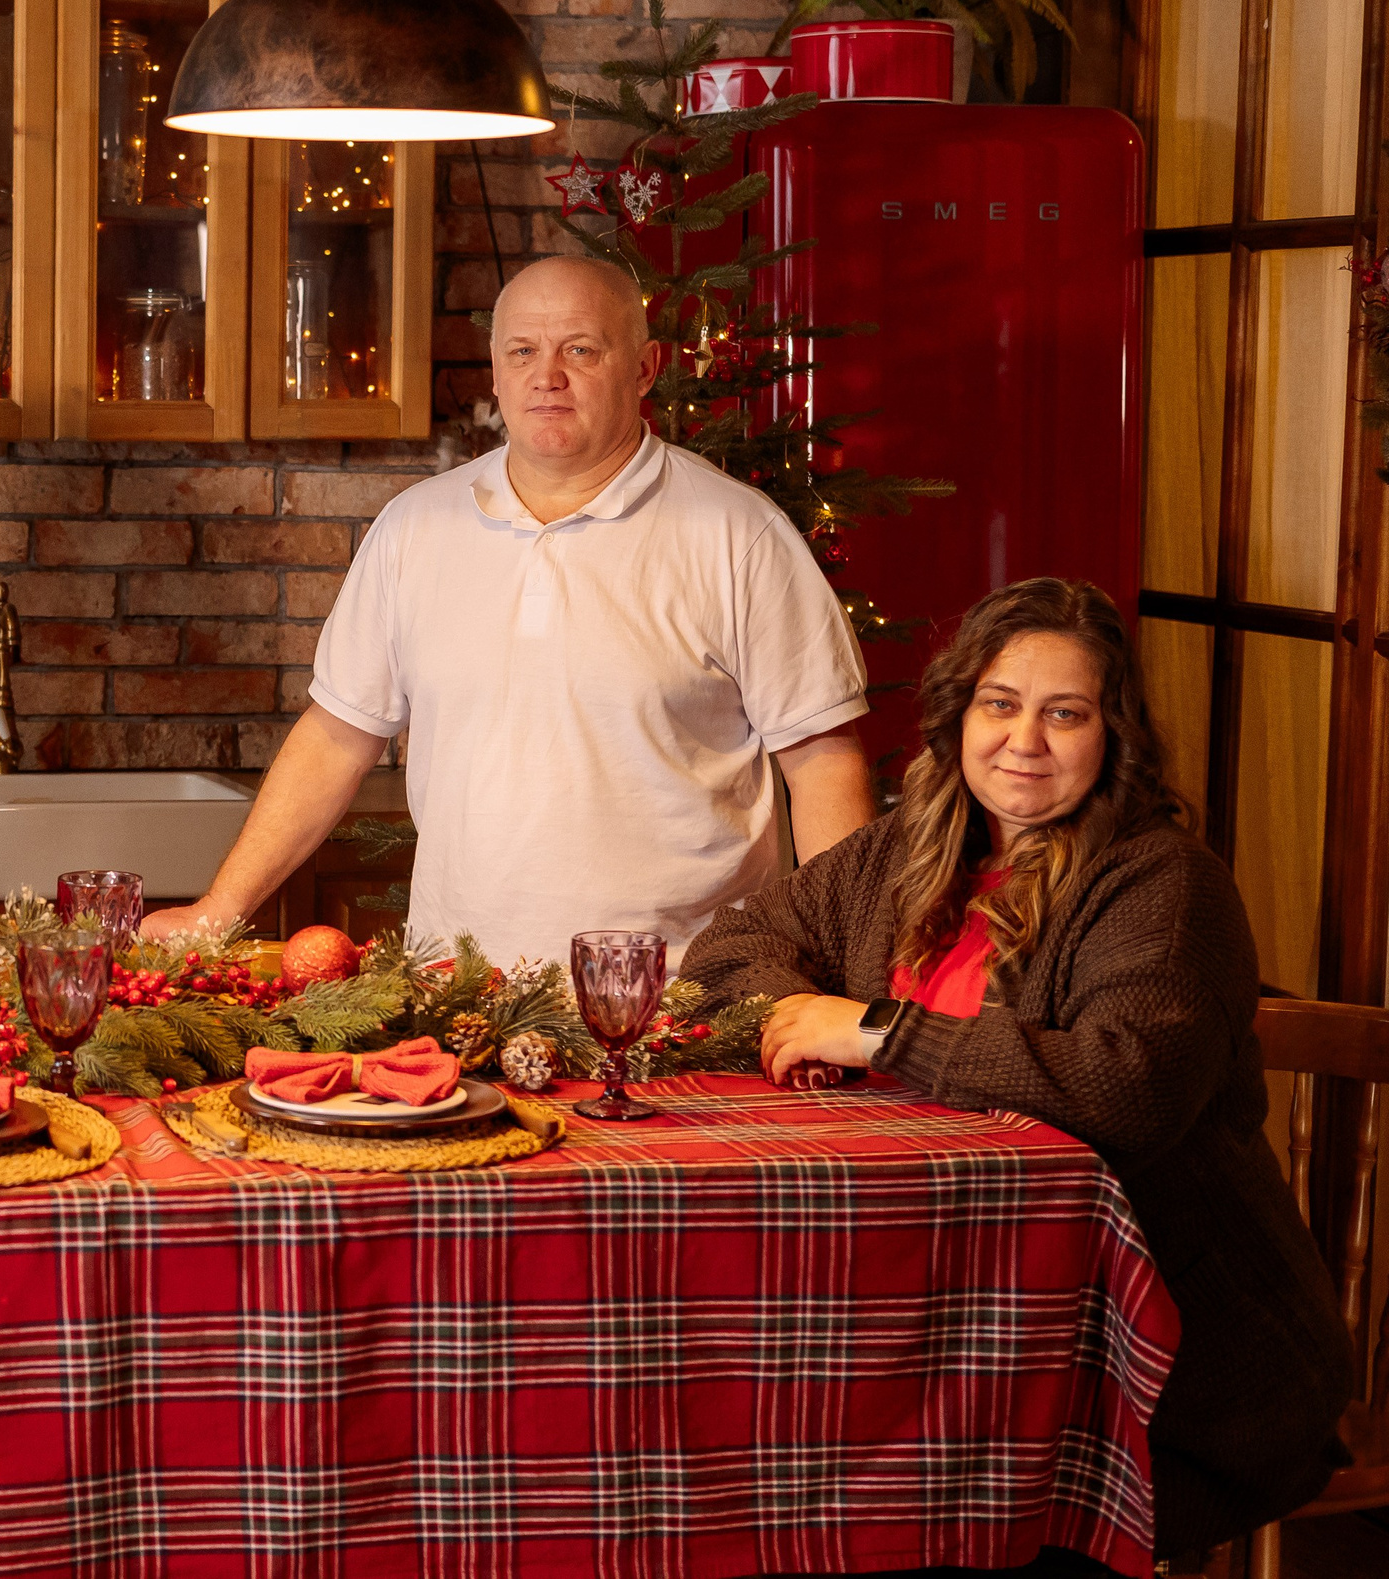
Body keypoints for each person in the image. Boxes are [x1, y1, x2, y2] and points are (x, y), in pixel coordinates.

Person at [686, 578, 1354, 1555]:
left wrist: (875, 1031)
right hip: (948, 1331)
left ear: (1112, 734)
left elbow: (1122, 1089)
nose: (1024, 741)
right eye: (999, 705)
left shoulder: (1162, 884)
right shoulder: (907, 855)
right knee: (775, 1480)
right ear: (959, 719)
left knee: (916, 1528)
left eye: (1064, 714)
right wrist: (799, 1015)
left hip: (1162, 1373)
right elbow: (723, 958)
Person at [142, 254, 875, 965]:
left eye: (581, 350)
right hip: (459, 995)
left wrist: (846, 969)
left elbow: (823, 764)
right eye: (522, 350)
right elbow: (337, 737)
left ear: (646, 367)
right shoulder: (413, 527)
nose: (547, 376)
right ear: (495, 371)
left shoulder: (740, 535)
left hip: (682, 998)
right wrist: (220, 908)